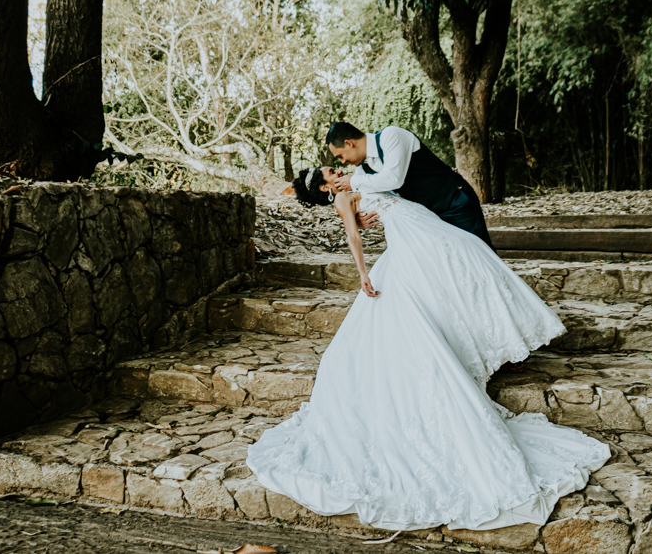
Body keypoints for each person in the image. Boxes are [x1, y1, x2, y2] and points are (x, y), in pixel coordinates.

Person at [246, 166, 611, 532]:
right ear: (326, 188)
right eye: (330, 171)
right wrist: (363, 273)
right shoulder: (343, 196)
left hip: (417, 238)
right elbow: (353, 235)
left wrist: (369, 204)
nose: (337, 168)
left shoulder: (357, 180)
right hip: (406, 248)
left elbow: (381, 195)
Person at [325, 121, 494, 249]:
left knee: (481, 253)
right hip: (429, 218)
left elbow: (393, 179)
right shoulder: (363, 169)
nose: (343, 162)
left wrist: (353, 181)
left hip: (455, 201)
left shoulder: (391, 136)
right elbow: (370, 199)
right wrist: (358, 221)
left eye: (340, 156)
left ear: (349, 143)